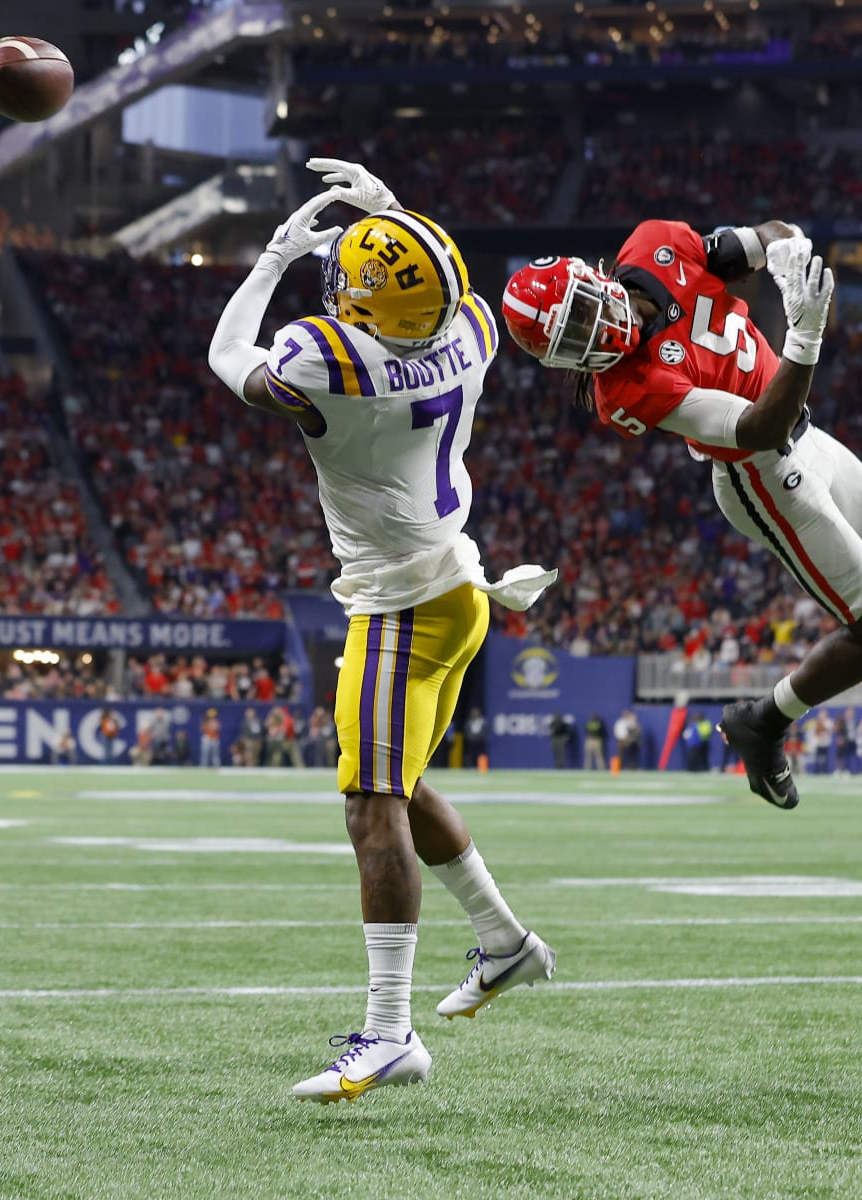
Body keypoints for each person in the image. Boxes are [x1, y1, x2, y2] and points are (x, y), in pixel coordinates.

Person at [207, 158, 558, 1104]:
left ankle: (390, 1030)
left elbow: (227, 355)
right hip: (455, 585)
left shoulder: (332, 360)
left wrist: (279, 255)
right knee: (397, 788)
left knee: (372, 807)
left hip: (402, 603)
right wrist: (400, 215)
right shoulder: (475, 330)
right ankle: (505, 943)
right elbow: (442, 291)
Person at [503, 222, 862, 808]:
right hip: (761, 474)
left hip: (806, 434)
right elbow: (757, 429)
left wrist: (771, 248)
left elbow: (776, 232)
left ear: (592, 278)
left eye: (584, 313)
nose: (596, 334)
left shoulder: (655, 243)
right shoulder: (625, 392)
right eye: (574, 340)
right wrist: (806, 334)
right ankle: (764, 721)